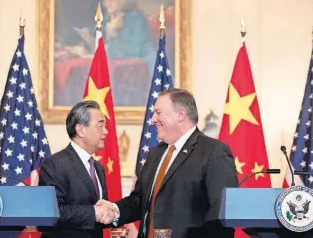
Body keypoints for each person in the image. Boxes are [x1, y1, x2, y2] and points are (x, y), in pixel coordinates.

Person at [96, 89, 238, 238]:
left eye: (158, 112)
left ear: (180, 115)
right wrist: (114, 210)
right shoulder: (155, 154)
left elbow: (221, 214)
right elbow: (140, 200)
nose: (152, 119)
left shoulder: (213, 151)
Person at [38, 100, 116, 238]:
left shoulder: (97, 167)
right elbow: (51, 213)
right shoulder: (54, 164)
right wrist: (94, 211)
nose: (106, 131)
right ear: (80, 130)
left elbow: (100, 214)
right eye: (100, 125)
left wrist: (109, 213)